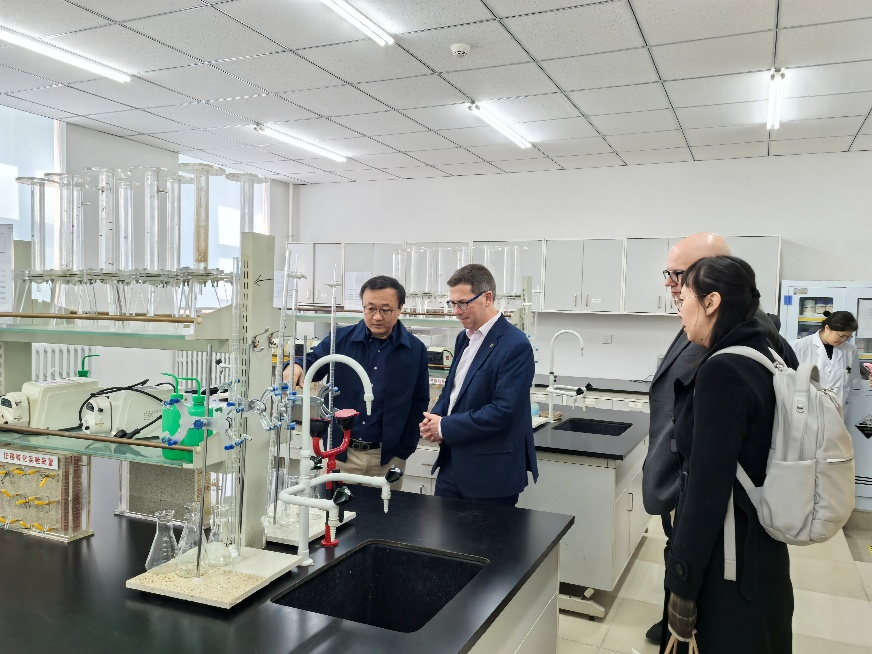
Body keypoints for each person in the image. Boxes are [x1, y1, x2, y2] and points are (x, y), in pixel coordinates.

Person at [643, 233, 798, 644]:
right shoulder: (755, 343)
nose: (673, 289)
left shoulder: (727, 360)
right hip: (750, 534)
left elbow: (710, 485)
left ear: (712, 294)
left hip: (728, 536)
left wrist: (683, 583)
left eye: (680, 277)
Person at [286, 275, 429, 483]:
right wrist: (296, 366)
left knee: (385, 505)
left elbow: (419, 403)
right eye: (370, 309)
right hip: (340, 453)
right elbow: (313, 363)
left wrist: (403, 451)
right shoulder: (339, 340)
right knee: (334, 505)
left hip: (387, 458)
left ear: (400, 308)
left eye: (385, 310)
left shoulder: (415, 350)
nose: (377, 317)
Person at [419, 264, 538, 506]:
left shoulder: (515, 345)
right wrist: (435, 419)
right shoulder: (464, 338)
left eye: (463, 303)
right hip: (452, 466)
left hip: (490, 474)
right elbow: (453, 390)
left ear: (487, 298)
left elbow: (503, 411)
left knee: (486, 533)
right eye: (452, 303)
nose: (456, 311)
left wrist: (444, 426)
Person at [790, 310, 861, 407]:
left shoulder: (850, 350)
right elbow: (789, 382)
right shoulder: (798, 347)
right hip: (807, 408)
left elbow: (854, 382)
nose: (844, 340)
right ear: (827, 328)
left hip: (838, 410)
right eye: (842, 336)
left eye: (848, 337)